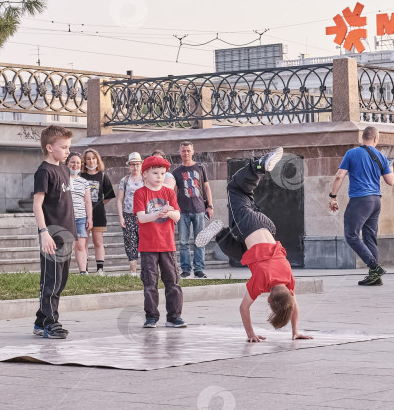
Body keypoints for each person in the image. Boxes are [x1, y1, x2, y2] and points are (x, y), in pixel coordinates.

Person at [194, 148, 312, 342]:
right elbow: (243, 308)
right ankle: (258, 166)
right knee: (235, 189)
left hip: (267, 227)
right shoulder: (261, 282)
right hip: (250, 226)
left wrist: (295, 331)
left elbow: (293, 304)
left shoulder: (288, 278)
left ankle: (221, 233)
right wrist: (250, 334)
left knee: (241, 256)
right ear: (267, 299)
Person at [328, 126, 394, 286]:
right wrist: (391, 170)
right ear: (376, 139)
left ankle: (374, 266)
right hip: (376, 200)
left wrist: (333, 196)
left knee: (351, 235)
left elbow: (339, 176)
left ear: (362, 138)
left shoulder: (351, 153)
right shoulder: (381, 156)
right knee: (369, 237)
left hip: (360, 200)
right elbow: (391, 181)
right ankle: (375, 277)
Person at [33, 125, 76, 339]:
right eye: (64, 147)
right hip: (52, 234)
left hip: (67, 233)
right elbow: (37, 204)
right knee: (52, 280)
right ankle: (51, 322)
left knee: (62, 279)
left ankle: (41, 320)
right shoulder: (44, 171)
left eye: (69, 147)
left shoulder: (64, 169)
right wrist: (43, 232)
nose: (68, 151)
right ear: (50, 147)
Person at [133, 156, 186, 329]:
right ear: (145, 173)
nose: (159, 177)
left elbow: (177, 215)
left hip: (167, 244)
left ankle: (174, 316)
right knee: (150, 282)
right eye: (155, 173)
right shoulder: (140, 193)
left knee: (172, 281)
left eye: (163, 173)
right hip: (148, 245)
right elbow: (141, 217)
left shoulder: (169, 192)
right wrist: (158, 213)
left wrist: (168, 213)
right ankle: (151, 316)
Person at [173, 141, 215, 279]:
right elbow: (173, 192)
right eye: (183, 150)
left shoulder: (200, 168)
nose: (186, 153)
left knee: (200, 241)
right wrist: (173, 210)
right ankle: (185, 269)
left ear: (193, 151)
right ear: (180, 152)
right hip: (182, 211)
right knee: (183, 242)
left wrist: (210, 205)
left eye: (188, 150)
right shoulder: (176, 172)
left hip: (199, 209)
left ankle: (199, 269)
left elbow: (206, 187)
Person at [81, 148, 115, 274]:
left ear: (97, 159)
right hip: (83, 213)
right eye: (88, 158)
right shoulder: (80, 176)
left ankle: (100, 269)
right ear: (84, 161)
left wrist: (98, 204)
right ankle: (84, 268)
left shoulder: (103, 175)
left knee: (98, 242)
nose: (91, 161)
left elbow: (109, 195)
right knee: (83, 242)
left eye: (93, 158)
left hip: (98, 214)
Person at [117, 152, 144, 277]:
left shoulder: (145, 178)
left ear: (141, 164)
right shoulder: (125, 180)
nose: (135, 167)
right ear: (129, 166)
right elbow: (119, 199)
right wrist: (121, 217)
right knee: (130, 241)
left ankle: (146, 268)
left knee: (144, 241)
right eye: (132, 165)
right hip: (128, 214)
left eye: (137, 164)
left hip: (143, 215)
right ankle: (133, 271)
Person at [67, 152, 93, 276]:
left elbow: (87, 201)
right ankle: (63, 271)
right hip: (66, 217)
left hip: (81, 217)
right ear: (67, 163)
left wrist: (90, 218)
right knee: (66, 245)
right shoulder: (63, 179)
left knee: (81, 245)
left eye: (78, 163)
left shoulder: (84, 182)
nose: (75, 165)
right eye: (72, 162)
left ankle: (83, 271)